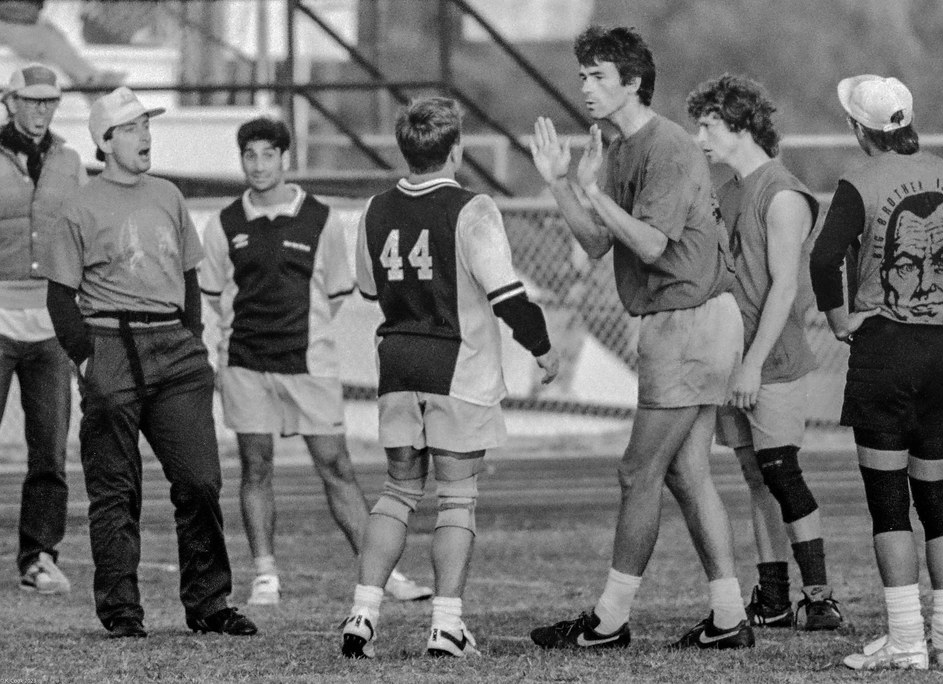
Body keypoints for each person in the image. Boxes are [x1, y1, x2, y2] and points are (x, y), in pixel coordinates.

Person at [528, 27, 753, 651]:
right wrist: (560, 183)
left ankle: (608, 620)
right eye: (583, 77)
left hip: (691, 321)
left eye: (599, 76)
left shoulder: (670, 146)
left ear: (632, 83)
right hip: (682, 321)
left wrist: (593, 191)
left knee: (637, 472)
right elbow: (599, 242)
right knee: (687, 474)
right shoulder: (619, 147)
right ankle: (730, 617)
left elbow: (652, 244)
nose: (586, 88)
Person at [810, 75, 943, 670]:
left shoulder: (860, 180)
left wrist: (837, 318)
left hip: (882, 351)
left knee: (888, 505)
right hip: (939, 354)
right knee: (938, 501)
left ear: (860, 129)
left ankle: (907, 642)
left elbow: (825, 257)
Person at [340, 96, 559, 658]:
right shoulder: (472, 209)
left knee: (396, 493)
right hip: (457, 367)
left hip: (396, 365)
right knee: (457, 500)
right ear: (455, 148)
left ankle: (362, 616)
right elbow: (507, 293)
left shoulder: (374, 209)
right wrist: (542, 347)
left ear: (404, 148)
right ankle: (446, 625)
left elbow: (369, 289)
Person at [40, 86, 257, 639]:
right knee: (115, 488)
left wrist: (193, 340)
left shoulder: (168, 194)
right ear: (105, 141)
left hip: (175, 348)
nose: (146, 136)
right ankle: (121, 611)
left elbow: (189, 276)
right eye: (134, 128)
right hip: (110, 344)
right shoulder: (78, 206)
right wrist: (88, 360)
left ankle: (209, 604)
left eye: (147, 126)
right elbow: (61, 297)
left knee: (201, 480)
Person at [200, 117, 432, 607]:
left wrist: (303, 333)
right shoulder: (223, 224)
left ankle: (382, 575)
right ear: (241, 160)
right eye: (250, 155)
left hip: (310, 365)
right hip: (245, 363)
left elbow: (336, 294)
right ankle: (265, 574)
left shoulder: (321, 218)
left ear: (286, 158)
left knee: (336, 467)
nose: (259, 165)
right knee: (255, 468)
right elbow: (214, 296)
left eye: (269, 154)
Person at [686, 74, 843, 631]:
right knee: (756, 477)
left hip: (770, 361)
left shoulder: (781, 192)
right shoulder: (725, 192)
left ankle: (820, 598)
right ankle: (774, 598)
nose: (699, 136)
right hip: (732, 358)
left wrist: (752, 363)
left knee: (782, 470)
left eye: (708, 125)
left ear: (739, 124)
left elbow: (784, 287)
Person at [0, 63, 84, 595]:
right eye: (31, 101)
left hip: (51, 323)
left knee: (50, 449)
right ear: (10, 102)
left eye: (49, 102)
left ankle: (38, 556)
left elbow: (78, 238)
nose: (41, 111)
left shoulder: (70, 160)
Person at [0, 2, 124, 96]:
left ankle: (91, 81)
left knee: (51, 34)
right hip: (12, 25)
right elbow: (16, 12)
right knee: (44, 37)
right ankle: (91, 81)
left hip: (27, 23)